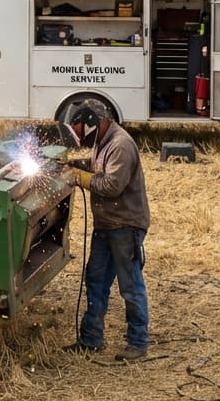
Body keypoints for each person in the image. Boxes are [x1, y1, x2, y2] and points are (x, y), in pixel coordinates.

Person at [59, 98, 151, 362]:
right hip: (107, 225)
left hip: (125, 226)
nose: (78, 138)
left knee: (130, 286)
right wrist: (75, 165)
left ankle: (138, 343)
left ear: (92, 121)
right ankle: (91, 340)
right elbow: (97, 166)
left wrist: (77, 177)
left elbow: (111, 185)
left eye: (78, 131)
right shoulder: (103, 140)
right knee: (96, 280)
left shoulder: (121, 145)